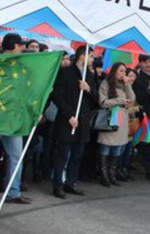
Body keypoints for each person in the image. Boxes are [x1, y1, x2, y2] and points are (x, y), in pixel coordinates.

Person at [0, 33, 32, 208]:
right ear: (14, 46)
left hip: (14, 121)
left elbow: (25, 92)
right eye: (21, 45)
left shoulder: (21, 66)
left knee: (16, 157)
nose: (23, 48)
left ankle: (13, 192)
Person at [50, 45, 98, 198]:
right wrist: (69, 115)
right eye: (91, 56)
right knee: (63, 155)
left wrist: (88, 89)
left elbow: (96, 98)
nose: (93, 59)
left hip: (82, 121)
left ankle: (71, 183)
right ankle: (57, 185)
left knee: (77, 155)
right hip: (67, 120)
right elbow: (57, 96)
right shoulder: (66, 73)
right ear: (82, 56)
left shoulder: (89, 76)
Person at [97, 62, 137, 187]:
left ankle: (112, 174)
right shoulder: (106, 84)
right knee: (106, 146)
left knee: (118, 148)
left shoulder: (124, 85)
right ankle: (103, 175)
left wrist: (128, 85)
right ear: (114, 71)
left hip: (122, 119)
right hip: (110, 118)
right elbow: (103, 102)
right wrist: (119, 101)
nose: (123, 73)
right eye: (121, 71)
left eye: (124, 71)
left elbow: (132, 99)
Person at [133, 55, 150, 179]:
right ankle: (148, 167)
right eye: (145, 62)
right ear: (140, 63)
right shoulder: (139, 79)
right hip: (146, 114)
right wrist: (149, 88)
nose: (148, 64)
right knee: (148, 141)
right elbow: (140, 99)